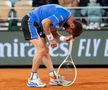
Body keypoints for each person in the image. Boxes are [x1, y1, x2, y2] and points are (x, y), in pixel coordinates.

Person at [21, 4, 83, 87]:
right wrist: (51, 39)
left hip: (39, 26)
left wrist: (63, 38)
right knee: (41, 49)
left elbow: (53, 32)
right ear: (72, 26)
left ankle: (53, 77)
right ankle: (32, 78)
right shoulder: (64, 14)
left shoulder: (63, 21)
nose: (67, 32)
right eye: (70, 32)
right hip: (31, 21)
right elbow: (45, 23)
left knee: (45, 51)